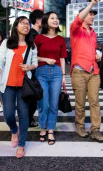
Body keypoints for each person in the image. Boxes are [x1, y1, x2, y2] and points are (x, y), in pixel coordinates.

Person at [0, 16, 38, 158]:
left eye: (28, 24)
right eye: (23, 23)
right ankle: (13, 130)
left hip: (24, 86)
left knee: (24, 115)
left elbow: (35, 62)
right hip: (8, 85)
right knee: (8, 114)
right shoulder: (7, 43)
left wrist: (29, 66)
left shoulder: (32, 45)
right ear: (16, 26)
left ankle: (21, 144)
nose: (26, 25)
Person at [70, 0, 103, 142]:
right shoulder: (75, 30)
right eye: (90, 14)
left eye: (93, 14)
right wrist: (92, 3)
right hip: (79, 72)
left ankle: (95, 129)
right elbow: (78, 20)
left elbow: (90, 50)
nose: (92, 16)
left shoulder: (93, 33)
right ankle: (80, 126)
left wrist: (97, 55)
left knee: (94, 101)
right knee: (80, 102)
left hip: (94, 72)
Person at [34, 11, 67, 145]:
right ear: (46, 21)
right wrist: (45, 59)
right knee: (43, 103)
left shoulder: (61, 39)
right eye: (52, 18)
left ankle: (51, 129)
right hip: (41, 72)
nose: (56, 20)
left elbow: (62, 58)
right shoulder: (39, 38)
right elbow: (33, 57)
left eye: (57, 18)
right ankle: (43, 127)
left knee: (54, 104)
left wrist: (64, 76)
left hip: (57, 73)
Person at [28, 9, 44, 127]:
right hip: (33, 71)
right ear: (38, 20)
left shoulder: (33, 34)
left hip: (32, 70)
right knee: (33, 96)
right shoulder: (34, 35)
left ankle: (29, 119)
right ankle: (29, 120)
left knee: (32, 96)